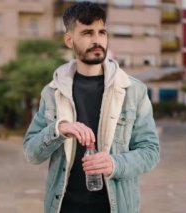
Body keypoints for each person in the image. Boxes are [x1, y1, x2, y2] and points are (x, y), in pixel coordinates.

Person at [23, 2, 160, 213]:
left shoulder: (133, 91)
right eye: (87, 33)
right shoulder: (52, 93)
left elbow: (151, 152)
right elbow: (31, 153)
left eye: (102, 32)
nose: (97, 40)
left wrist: (114, 163)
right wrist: (58, 130)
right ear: (69, 40)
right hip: (63, 207)